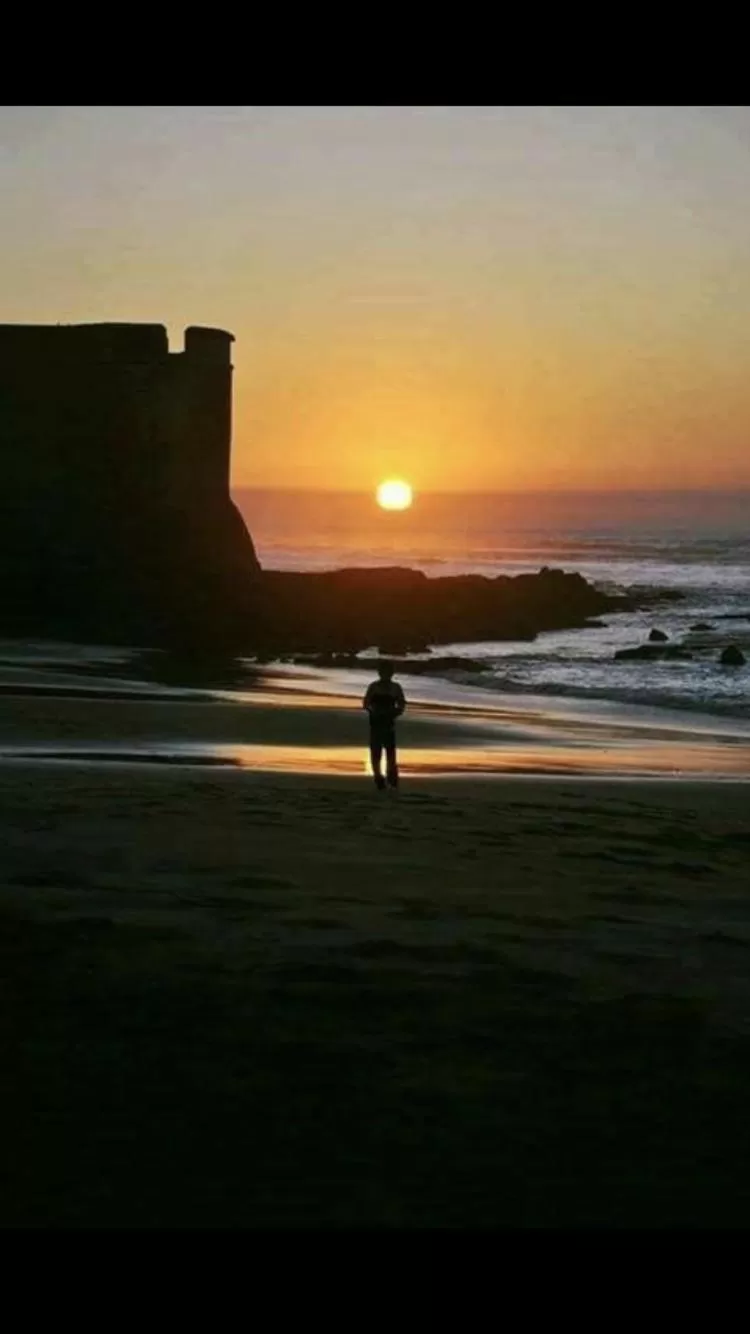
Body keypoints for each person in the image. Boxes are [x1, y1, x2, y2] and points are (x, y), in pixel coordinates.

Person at [363, 661, 406, 790]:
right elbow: (365, 703)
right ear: (380, 673)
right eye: (384, 672)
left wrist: (395, 713)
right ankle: (378, 778)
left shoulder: (396, 688)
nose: (386, 675)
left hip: (388, 722)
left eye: (388, 672)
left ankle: (392, 778)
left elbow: (402, 704)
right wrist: (373, 711)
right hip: (376, 722)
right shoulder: (374, 687)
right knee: (376, 752)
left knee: (390, 752)